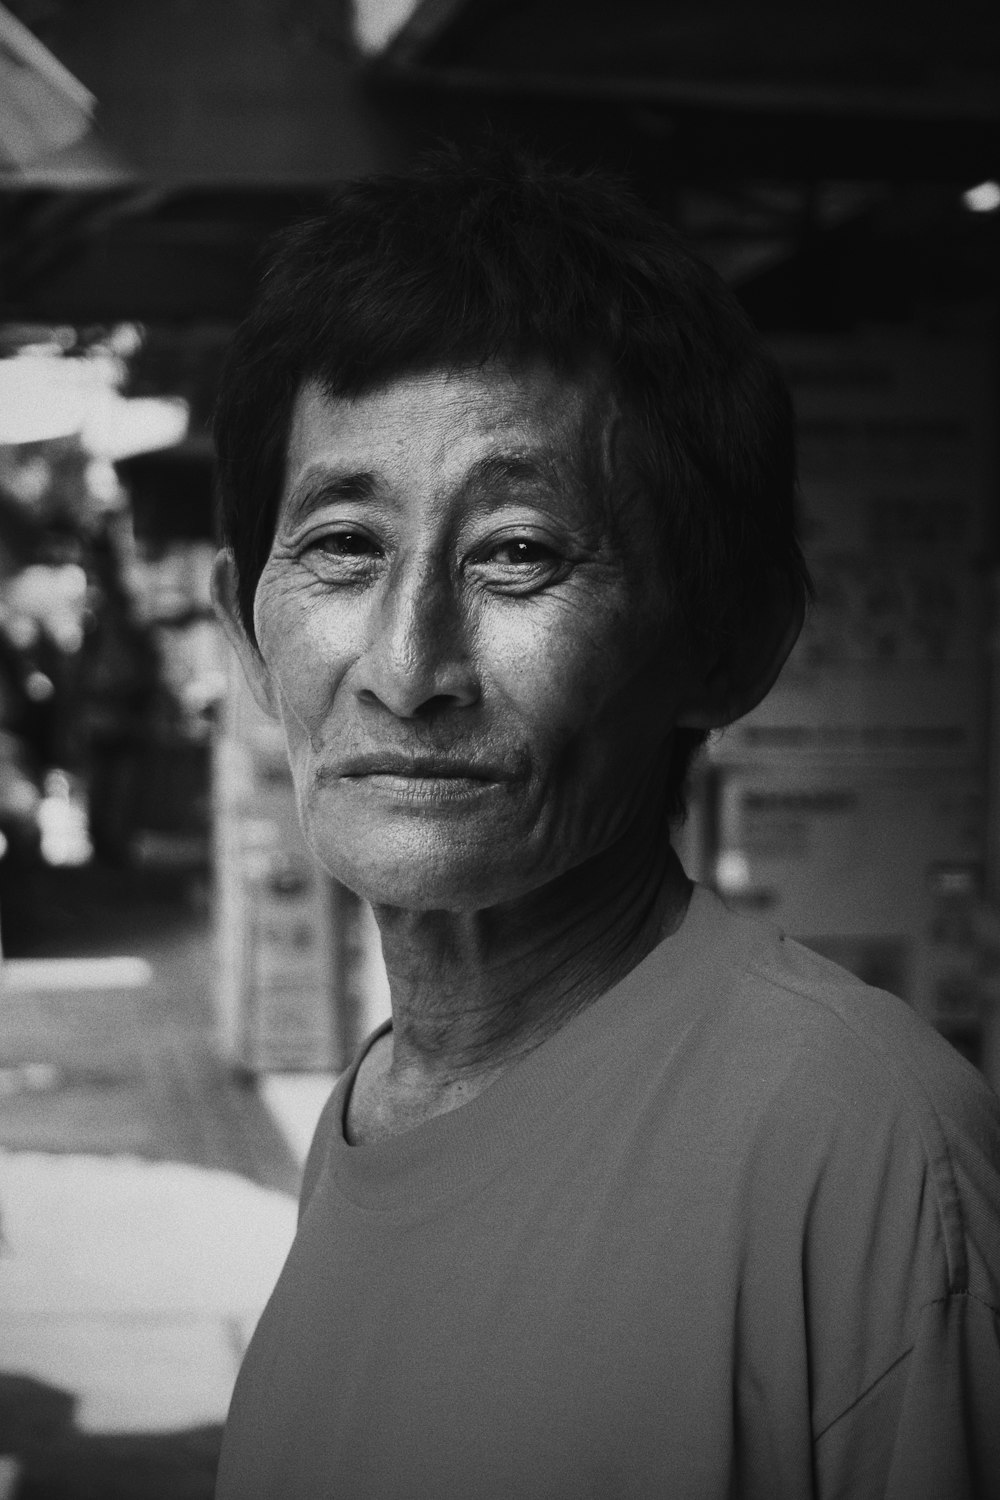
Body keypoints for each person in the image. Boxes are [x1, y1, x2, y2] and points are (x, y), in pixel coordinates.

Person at [210, 143, 1000, 1499]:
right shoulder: (380, 1109)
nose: (407, 667)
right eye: (342, 543)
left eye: (520, 551)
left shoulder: (859, 1152)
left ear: (728, 644)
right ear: (245, 626)